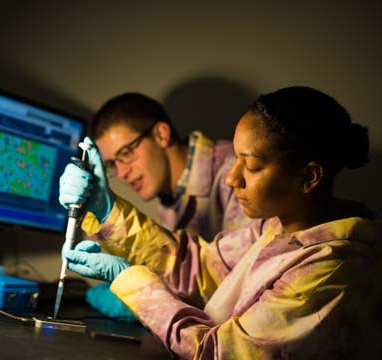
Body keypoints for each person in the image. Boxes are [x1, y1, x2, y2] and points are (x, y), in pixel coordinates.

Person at [60, 86, 382, 358]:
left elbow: (218, 352)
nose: (231, 178)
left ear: (309, 177)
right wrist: (107, 212)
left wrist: (130, 280)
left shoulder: (328, 267)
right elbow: (201, 267)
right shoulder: (275, 226)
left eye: (252, 166)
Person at [62, 93, 252, 321]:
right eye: (113, 164)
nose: (121, 174)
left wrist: (141, 295)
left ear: (161, 134)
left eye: (126, 153)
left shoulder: (237, 174)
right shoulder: (170, 200)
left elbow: (237, 290)